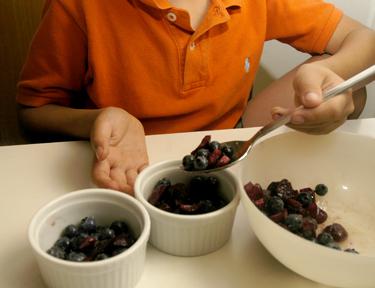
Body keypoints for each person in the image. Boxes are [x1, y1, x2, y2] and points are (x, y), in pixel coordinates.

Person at [17, 0, 375, 194]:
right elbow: (32, 112)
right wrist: (96, 118)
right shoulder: (77, 6)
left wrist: (332, 84)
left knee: (350, 83)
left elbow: (363, 39)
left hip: (233, 146)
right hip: (127, 167)